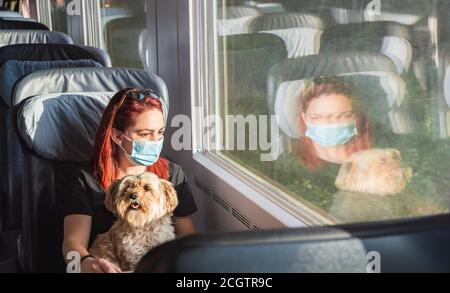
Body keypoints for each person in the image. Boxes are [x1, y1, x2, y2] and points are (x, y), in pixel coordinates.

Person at [62, 88, 197, 273]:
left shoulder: (172, 174)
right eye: (144, 134)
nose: (155, 140)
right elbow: (72, 244)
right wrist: (85, 263)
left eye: (160, 132)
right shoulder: (85, 179)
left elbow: (188, 239)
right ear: (117, 136)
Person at [296, 77, 373, 169]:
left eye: (344, 116)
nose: (328, 124)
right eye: (317, 117)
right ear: (304, 118)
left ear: (356, 117)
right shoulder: (288, 167)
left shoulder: (377, 158)